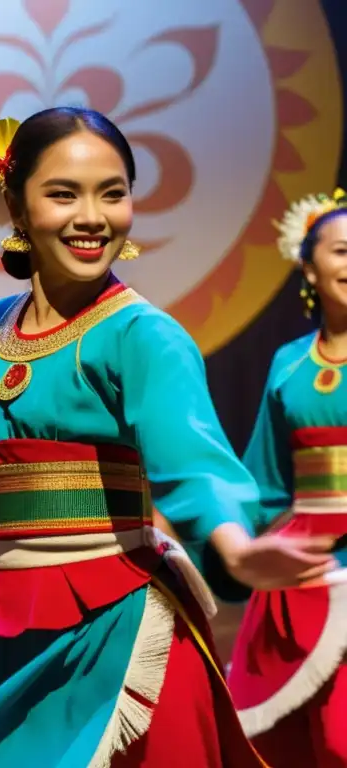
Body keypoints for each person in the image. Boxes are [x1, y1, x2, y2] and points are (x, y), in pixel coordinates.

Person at [0, 107, 336, 767]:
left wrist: (235, 546)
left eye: (113, 192)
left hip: (115, 628)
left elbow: (196, 463)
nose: (93, 216)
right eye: (64, 193)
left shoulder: (141, 335)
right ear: (15, 205)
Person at [226, 188, 347, 766]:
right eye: (343, 251)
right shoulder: (289, 362)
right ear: (309, 266)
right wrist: (225, 544)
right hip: (308, 574)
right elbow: (264, 480)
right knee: (302, 743)